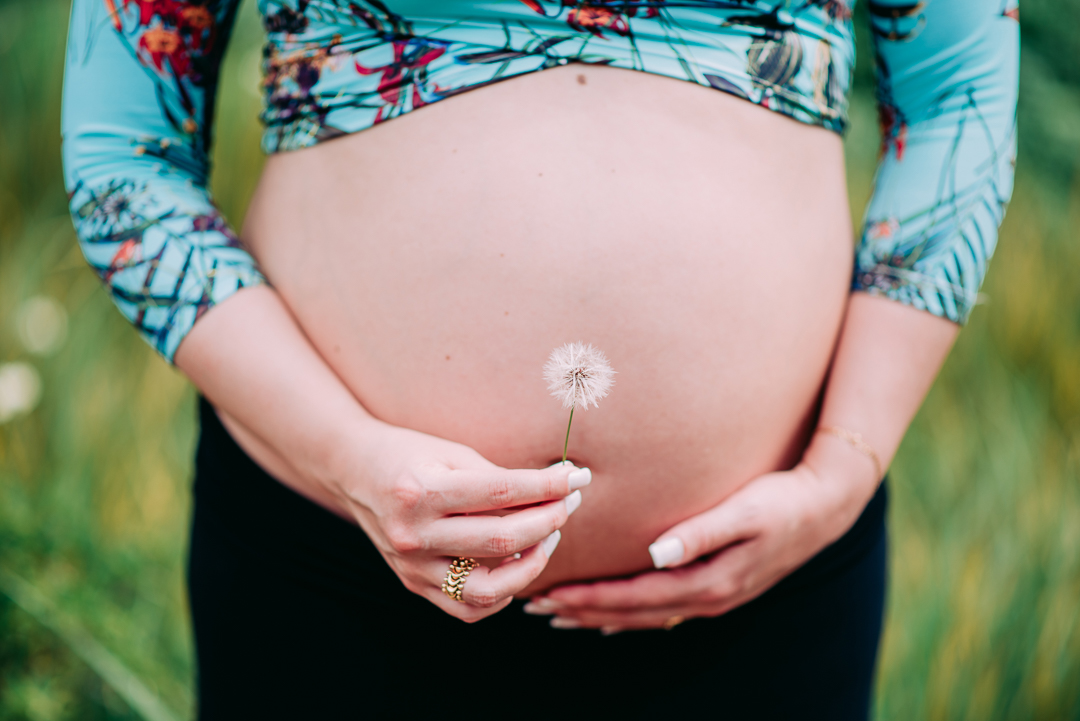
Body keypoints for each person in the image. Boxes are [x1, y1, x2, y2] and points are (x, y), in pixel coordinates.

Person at [62, 1, 1018, 718]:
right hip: (336, 553)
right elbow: (123, 163)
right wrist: (348, 460)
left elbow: (958, 101)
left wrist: (841, 471)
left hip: (762, 572)